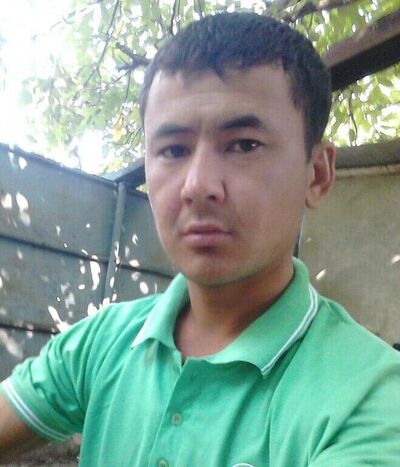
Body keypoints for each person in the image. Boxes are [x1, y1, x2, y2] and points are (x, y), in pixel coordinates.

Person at [1, 12, 399, 466]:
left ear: (318, 173)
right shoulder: (103, 342)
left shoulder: (370, 398)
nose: (198, 185)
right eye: (173, 150)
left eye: (244, 144)